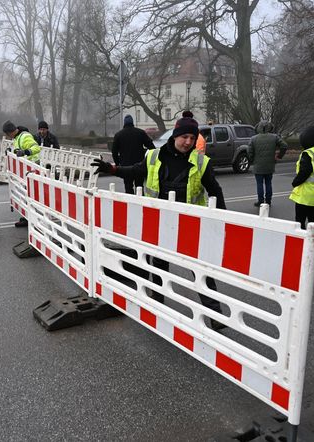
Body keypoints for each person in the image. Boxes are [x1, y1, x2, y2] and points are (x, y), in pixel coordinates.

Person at [92, 117, 228, 330]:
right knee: (159, 265)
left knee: (199, 269)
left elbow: (215, 190)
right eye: (184, 137)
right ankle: (157, 303)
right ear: (175, 136)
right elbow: (136, 171)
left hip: (189, 224)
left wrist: (223, 219)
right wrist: (112, 169)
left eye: (192, 138)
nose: (188, 142)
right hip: (161, 223)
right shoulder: (154, 157)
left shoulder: (201, 162)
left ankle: (215, 313)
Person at [2, 120, 42, 227]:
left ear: (10, 132)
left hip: (33, 169)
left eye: (7, 134)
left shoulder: (24, 136)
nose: (8, 136)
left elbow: (36, 148)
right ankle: (27, 217)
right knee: (26, 194)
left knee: (31, 196)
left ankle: (33, 219)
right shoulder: (17, 138)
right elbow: (18, 150)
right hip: (26, 170)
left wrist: (25, 152)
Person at [111, 115, 155, 194]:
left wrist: (118, 164)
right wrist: (147, 159)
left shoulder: (118, 135)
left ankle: (130, 204)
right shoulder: (140, 133)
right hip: (139, 165)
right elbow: (152, 147)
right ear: (132, 122)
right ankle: (140, 204)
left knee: (128, 188)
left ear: (124, 123)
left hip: (125, 166)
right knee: (139, 187)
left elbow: (114, 152)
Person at [248, 121, 288, 207]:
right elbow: (284, 146)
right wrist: (279, 156)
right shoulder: (274, 137)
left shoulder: (253, 139)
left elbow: (249, 152)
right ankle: (268, 201)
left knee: (259, 184)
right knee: (268, 183)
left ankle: (261, 201)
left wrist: (252, 160)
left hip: (258, 165)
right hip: (270, 165)